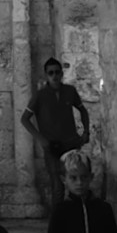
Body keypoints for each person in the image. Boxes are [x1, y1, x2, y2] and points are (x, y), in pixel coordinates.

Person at [22, 59, 90, 210]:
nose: (54, 76)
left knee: (78, 181)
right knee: (57, 185)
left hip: (71, 143)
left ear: (61, 73)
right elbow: (24, 119)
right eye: (51, 73)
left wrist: (86, 132)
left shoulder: (70, 91)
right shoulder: (40, 96)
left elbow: (82, 110)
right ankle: (57, 222)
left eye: (57, 72)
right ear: (46, 75)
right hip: (52, 146)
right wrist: (41, 139)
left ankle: (79, 217)